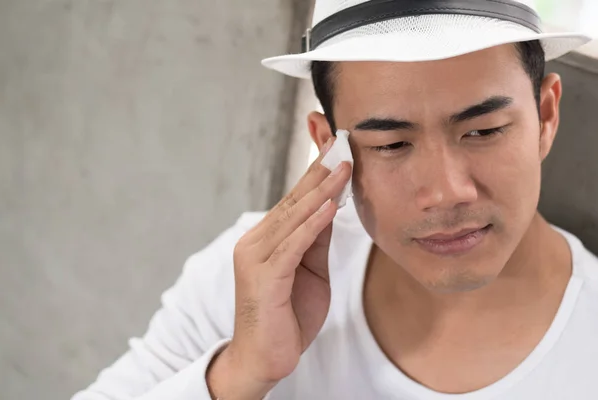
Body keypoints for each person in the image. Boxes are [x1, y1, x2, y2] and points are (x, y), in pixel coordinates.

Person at [73, 1, 598, 399]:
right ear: (329, 144)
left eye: (484, 131)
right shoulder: (257, 282)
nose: (446, 191)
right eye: (391, 144)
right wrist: (239, 373)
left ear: (546, 117)